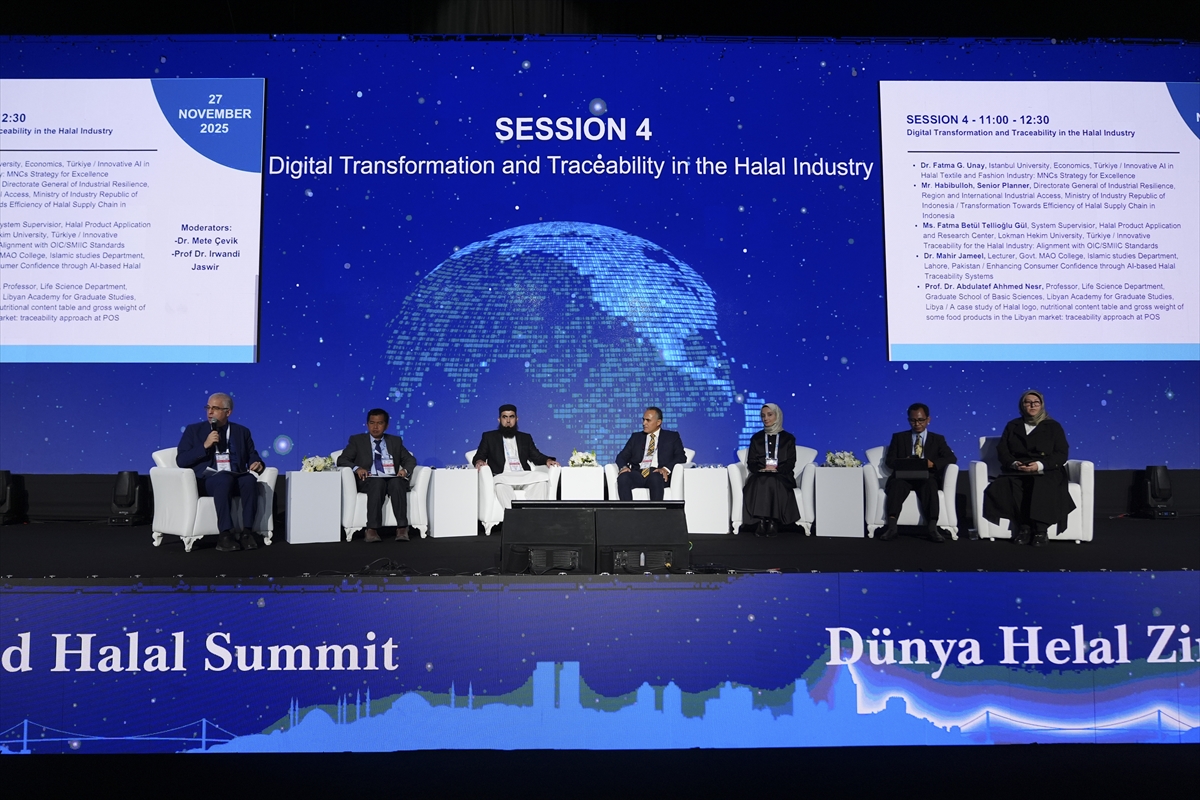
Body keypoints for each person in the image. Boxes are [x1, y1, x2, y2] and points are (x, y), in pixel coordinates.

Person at [983, 390, 1076, 546]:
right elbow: (1003, 450)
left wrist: (1039, 465)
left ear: (1041, 405)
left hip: (1047, 469)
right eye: (1028, 402)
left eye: (1036, 402)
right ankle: (1024, 528)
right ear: (1022, 405)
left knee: (1041, 484)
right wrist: (1014, 463)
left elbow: (1061, 453)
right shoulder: (1013, 426)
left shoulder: (1053, 426)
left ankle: (1040, 530)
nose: (1032, 405)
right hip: (1018, 469)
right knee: (1009, 484)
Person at [176, 392, 265, 552]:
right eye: (208, 407)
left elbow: (252, 454)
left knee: (249, 480)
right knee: (223, 479)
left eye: (215, 408)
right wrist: (204, 445)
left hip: (235, 476)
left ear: (228, 412)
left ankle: (247, 532)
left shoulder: (242, 432)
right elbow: (181, 460)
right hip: (208, 480)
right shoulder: (194, 430)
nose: (210, 412)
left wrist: (257, 463)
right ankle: (225, 534)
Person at [336, 408, 418, 542]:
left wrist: (405, 471)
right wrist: (357, 468)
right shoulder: (357, 440)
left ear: (386, 426)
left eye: (379, 423)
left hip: (391, 478)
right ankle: (372, 529)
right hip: (369, 479)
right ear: (367, 424)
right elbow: (342, 459)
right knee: (377, 482)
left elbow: (410, 460)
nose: (375, 427)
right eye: (372, 423)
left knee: (397, 482)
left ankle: (402, 527)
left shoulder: (395, 441)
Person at [880, 402, 957, 543]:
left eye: (920, 420)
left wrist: (932, 464)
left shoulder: (937, 439)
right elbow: (889, 461)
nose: (917, 424)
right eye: (913, 420)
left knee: (930, 485)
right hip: (903, 476)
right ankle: (891, 528)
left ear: (928, 419)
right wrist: (904, 462)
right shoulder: (899, 437)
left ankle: (932, 529)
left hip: (926, 476)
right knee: (896, 485)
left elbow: (951, 458)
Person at [473, 404, 559, 509]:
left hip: (523, 475)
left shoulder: (525, 437)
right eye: (505, 417)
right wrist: (479, 461)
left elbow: (536, 456)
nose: (508, 421)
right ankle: (515, 517)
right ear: (499, 419)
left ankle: (535, 516)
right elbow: (480, 455)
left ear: (516, 419)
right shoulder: (489, 437)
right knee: (500, 487)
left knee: (541, 483)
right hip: (503, 477)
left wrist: (547, 460)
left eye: (511, 417)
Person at [742, 403, 801, 536]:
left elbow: (791, 462)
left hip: (782, 475)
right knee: (763, 479)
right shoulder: (756, 438)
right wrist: (762, 468)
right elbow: (751, 462)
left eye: (769, 415)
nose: (766, 418)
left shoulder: (788, 438)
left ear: (777, 415)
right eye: (763, 416)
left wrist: (777, 469)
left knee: (772, 480)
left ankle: (772, 522)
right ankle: (762, 522)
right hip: (760, 474)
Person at [614, 407, 686, 501]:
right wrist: (623, 467)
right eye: (643, 420)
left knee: (655, 477)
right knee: (623, 477)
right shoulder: (636, 437)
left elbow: (681, 457)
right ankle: (628, 510)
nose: (644, 423)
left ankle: (656, 510)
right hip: (638, 473)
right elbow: (621, 456)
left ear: (658, 422)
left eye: (648, 420)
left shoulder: (671, 437)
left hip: (658, 473)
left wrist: (665, 469)